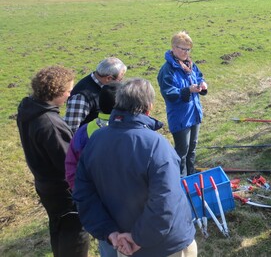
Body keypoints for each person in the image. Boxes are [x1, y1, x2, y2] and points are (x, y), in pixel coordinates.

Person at [73, 78, 197, 257]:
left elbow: (84, 196)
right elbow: (165, 201)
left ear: (119, 103)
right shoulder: (157, 145)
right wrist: (138, 238)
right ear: (149, 107)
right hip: (166, 247)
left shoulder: (95, 141)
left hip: (123, 245)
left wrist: (111, 234)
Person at [16, 66, 89, 257]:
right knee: (75, 233)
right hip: (62, 189)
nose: (69, 95)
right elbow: (68, 163)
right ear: (55, 92)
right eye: (68, 91)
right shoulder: (51, 124)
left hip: (44, 183)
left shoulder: (28, 107)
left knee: (58, 227)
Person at [65, 82, 119, 257]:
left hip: (97, 202)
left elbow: (71, 168)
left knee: (109, 243)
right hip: (125, 201)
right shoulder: (127, 131)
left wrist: (83, 194)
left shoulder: (83, 132)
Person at [157, 31, 207, 177]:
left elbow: (199, 76)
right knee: (181, 153)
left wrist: (202, 85)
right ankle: (180, 182)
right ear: (173, 48)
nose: (186, 52)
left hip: (194, 113)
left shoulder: (190, 65)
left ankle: (191, 178)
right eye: (182, 49)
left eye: (188, 49)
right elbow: (168, 93)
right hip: (180, 118)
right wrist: (188, 90)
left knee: (192, 149)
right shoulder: (167, 70)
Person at [65, 57, 126, 133]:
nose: (121, 82)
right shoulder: (81, 97)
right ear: (108, 78)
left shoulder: (104, 85)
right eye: (120, 79)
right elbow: (71, 130)